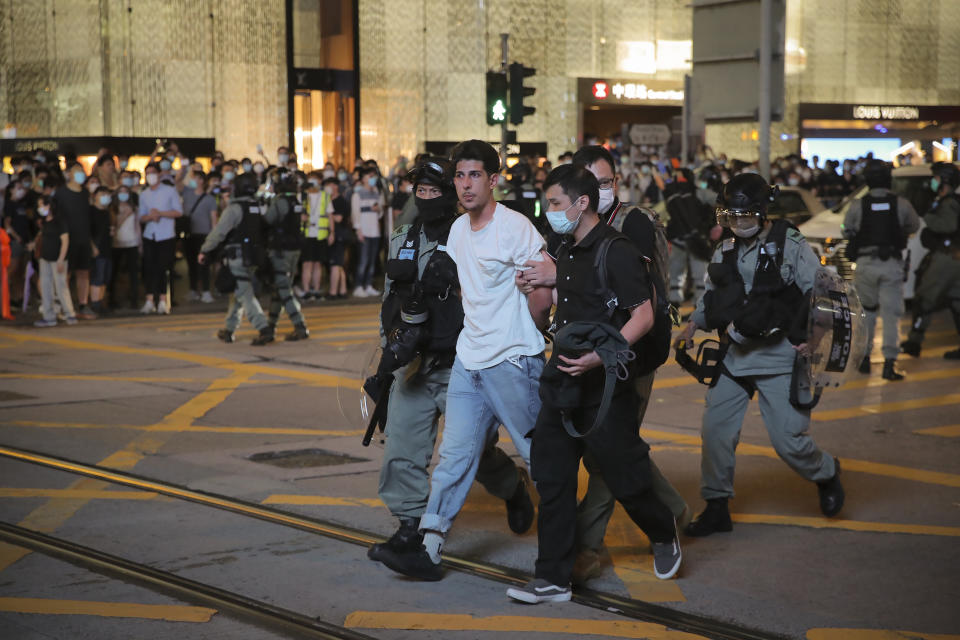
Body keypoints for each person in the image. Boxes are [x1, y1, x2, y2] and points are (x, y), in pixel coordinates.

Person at [376, 140, 552, 581]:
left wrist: (530, 334)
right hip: (467, 362)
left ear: (493, 180)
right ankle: (428, 548)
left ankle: (562, 547)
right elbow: (455, 294)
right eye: (460, 176)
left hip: (512, 362)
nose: (465, 184)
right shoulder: (454, 233)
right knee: (453, 457)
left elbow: (543, 288)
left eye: (474, 175)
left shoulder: (515, 227)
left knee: (539, 455)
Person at [506, 164, 682, 604]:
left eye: (555, 203)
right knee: (552, 475)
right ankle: (552, 578)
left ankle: (663, 531)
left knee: (624, 476)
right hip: (563, 374)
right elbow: (549, 311)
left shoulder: (617, 250)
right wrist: (532, 293)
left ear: (581, 203)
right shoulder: (563, 249)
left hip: (604, 383)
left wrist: (601, 356)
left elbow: (643, 315)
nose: (550, 213)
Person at [675, 173, 845, 537]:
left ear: (762, 211)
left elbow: (821, 293)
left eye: (746, 215)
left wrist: (814, 339)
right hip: (734, 357)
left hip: (779, 359)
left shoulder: (790, 244)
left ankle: (827, 472)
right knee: (716, 432)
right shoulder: (725, 248)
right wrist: (693, 324)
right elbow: (713, 294)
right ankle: (717, 505)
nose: (739, 222)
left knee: (790, 443)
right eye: (732, 216)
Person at [842, 159, 919, 379]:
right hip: (891, 264)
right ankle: (889, 364)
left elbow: (847, 230)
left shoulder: (858, 204)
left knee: (867, 312)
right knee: (891, 314)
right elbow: (913, 225)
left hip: (865, 264)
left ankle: (864, 359)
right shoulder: (901, 203)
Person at [198, 172, 273, 346]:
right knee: (238, 293)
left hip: (237, 256)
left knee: (244, 293)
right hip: (254, 256)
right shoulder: (256, 206)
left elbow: (219, 232)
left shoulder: (234, 208)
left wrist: (205, 250)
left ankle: (263, 328)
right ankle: (229, 329)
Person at [902, 162, 960, 359]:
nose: (932, 182)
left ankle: (914, 342)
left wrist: (928, 216)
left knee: (924, 298)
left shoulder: (949, 203)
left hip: (947, 259)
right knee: (956, 301)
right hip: (952, 257)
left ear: (944, 180)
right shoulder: (947, 201)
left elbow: (948, 225)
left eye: (935, 178)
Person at [263, 168, 309, 341]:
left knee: (283, 289)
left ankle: (300, 326)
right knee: (279, 289)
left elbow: (268, 220)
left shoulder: (280, 201)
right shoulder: (295, 200)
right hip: (294, 249)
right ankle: (270, 326)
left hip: (281, 251)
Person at [138, 163, 182, 314]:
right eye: (147, 173)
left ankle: (163, 300)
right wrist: (150, 217)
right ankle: (149, 299)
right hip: (150, 234)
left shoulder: (170, 191)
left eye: (153, 173)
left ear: (158, 174)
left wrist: (161, 213)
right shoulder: (144, 194)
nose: (150, 176)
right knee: (149, 268)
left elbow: (178, 212)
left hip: (166, 235)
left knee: (163, 268)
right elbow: (141, 217)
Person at [53, 162, 95, 318]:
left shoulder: (85, 193)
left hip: (84, 238)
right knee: (66, 273)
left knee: (84, 272)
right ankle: (65, 306)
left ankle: (83, 304)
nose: (80, 175)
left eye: (82, 172)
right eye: (77, 172)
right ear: (69, 174)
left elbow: (88, 218)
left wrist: (92, 243)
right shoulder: (61, 193)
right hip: (67, 240)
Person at [32, 195, 77, 327]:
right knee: (46, 288)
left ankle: (70, 314)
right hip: (45, 259)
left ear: (49, 205)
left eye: (41, 205)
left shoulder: (60, 221)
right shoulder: (45, 221)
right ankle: (49, 316)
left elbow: (65, 241)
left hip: (58, 259)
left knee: (61, 286)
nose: (39, 208)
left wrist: (61, 259)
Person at [182, 171, 218, 303]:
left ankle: (206, 291)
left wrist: (214, 238)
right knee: (191, 264)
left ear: (201, 180)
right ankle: (193, 290)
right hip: (189, 234)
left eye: (194, 178)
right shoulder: (186, 194)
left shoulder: (209, 199)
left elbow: (213, 219)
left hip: (204, 235)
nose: (191, 181)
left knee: (204, 264)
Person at [300, 171, 334, 300]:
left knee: (317, 264)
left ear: (320, 181)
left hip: (320, 234)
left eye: (316, 179)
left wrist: (332, 233)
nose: (313, 181)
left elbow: (330, 215)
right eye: (311, 179)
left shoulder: (325, 196)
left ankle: (316, 289)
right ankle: (306, 290)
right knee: (307, 263)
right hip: (306, 234)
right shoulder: (302, 196)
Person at [352, 166, 384, 297]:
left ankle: (368, 285)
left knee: (371, 261)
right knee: (363, 260)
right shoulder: (357, 194)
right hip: (364, 231)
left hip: (375, 231)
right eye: (369, 176)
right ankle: (359, 286)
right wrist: (358, 230)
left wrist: (378, 209)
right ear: (363, 179)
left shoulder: (377, 192)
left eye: (373, 176)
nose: (372, 179)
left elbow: (380, 213)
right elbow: (355, 214)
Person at [110, 186, 140, 310]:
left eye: (126, 192)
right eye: (121, 192)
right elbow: (114, 225)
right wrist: (125, 215)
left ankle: (134, 299)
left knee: (134, 273)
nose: (123, 195)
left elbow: (137, 226)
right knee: (114, 273)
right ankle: (112, 299)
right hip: (116, 244)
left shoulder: (134, 208)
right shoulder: (112, 209)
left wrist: (140, 243)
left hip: (132, 243)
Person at [88, 186, 115, 315]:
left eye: (106, 194)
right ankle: (95, 303)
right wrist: (92, 247)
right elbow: (87, 232)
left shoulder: (107, 212)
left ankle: (100, 301)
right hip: (96, 249)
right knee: (97, 277)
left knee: (105, 277)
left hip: (107, 248)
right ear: (95, 196)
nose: (105, 196)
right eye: (102, 194)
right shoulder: (90, 211)